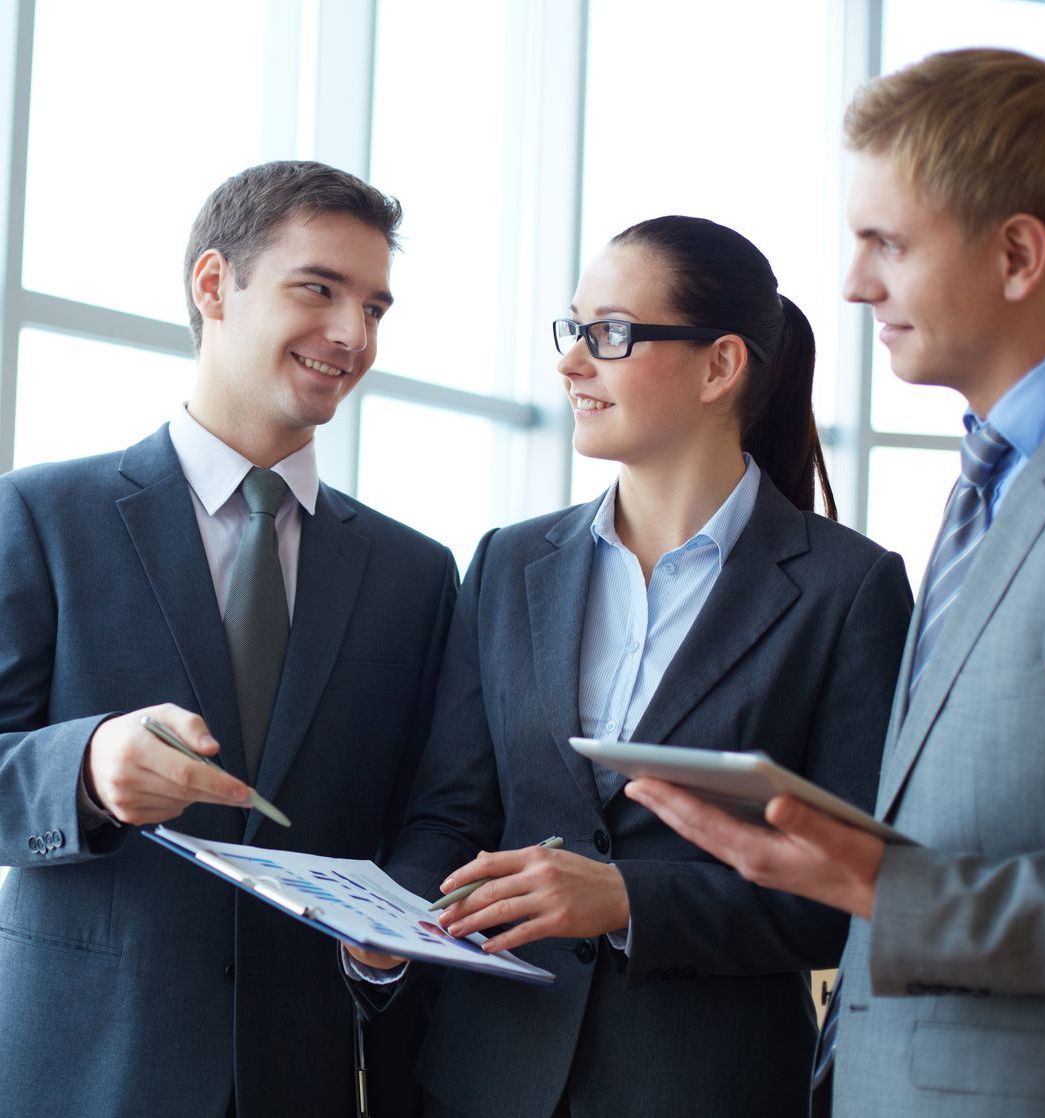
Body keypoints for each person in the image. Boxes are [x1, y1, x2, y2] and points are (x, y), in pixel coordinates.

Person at [627, 48, 1045, 1118]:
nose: (850, 284)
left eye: (885, 243)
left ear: (1017, 254)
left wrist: (881, 887)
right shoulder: (991, 472)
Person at [349, 215, 912, 1117]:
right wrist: (386, 925)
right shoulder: (507, 562)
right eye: (573, 332)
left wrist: (627, 899)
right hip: (483, 1080)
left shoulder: (848, 588)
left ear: (721, 366)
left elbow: (848, 892)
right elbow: (452, 813)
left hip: (706, 1089)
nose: (573, 363)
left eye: (609, 335)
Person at [0, 161, 457, 1117]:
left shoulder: (414, 573)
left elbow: (435, 810)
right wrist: (84, 766)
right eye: (318, 290)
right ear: (215, 286)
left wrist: (400, 924)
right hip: (84, 1069)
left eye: (375, 307)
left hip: (306, 1073)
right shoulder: (42, 516)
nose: (353, 334)